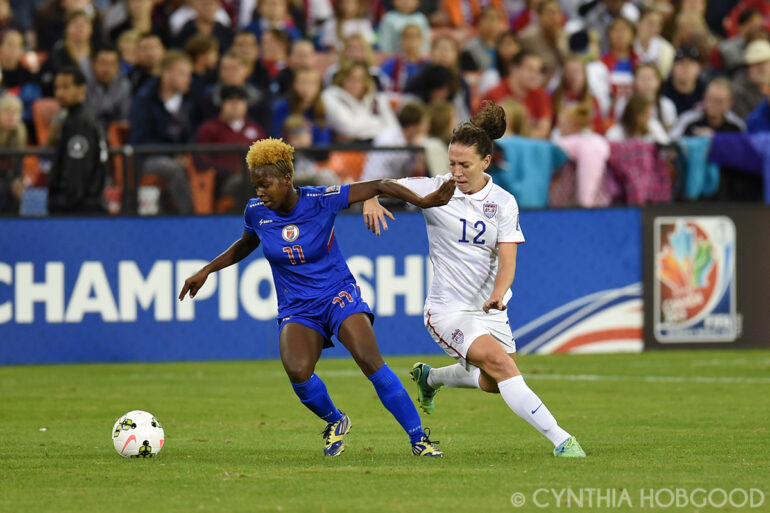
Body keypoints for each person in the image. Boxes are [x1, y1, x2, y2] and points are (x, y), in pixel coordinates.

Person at [178, 137, 454, 457]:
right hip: (297, 307)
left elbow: (380, 184)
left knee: (369, 360)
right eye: (256, 185)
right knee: (297, 371)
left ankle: (419, 439)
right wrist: (208, 270)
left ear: (287, 179)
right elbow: (246, 244)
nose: (259, 192)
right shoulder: (256, 212)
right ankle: (335, 420)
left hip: (338, 295)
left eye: (265, 184)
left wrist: (425, 201)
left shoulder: (322, 199)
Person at [362, 102, 586, 458]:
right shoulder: (433, 189)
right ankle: (563, 440)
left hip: (490, 307)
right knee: (501, 365)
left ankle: (430, 378)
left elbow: (508, 258)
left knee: (493, 382)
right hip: (447, 310)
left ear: (485, 162)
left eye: (464, 164)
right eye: (452, 163)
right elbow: (376, 182)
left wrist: (499, 295)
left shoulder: (504, 202)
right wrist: (371, 199)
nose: (456, 171)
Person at [47, 66, 108, 215]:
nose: (59, 93)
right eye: (57, 87)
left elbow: (77, 172)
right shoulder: (73, 118)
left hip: (80, 211)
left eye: (66, 87)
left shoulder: (80, 122)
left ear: (82, 89)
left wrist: (65, 204)